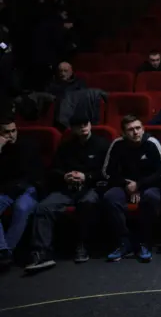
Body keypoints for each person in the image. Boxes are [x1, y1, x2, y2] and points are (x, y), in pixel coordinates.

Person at [24, 114, 109, 272]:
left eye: (86, 123)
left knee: (88, 203)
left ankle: (82, 245)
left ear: (90, 125)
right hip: (67, 188)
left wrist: (86, 176)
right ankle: (41, 252)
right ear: (73, 128)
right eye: (79, 125)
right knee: (44, 207)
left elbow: (108, 172)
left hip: (91, 187)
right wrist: (65, 176)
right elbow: (54, 170)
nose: (83, 127)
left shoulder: (102, 145)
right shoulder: (66, 147)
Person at [101, 115, 161, 263]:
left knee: (152, 197)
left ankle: (144, 242)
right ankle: (124, 241)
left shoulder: (152, 143)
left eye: (138, 128)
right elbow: (107, 172)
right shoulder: (117, 144)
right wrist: (127, 185)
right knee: (110, 197)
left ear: (143, 129)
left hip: (148, 185)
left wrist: (138, 185)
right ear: (124, 133)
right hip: (124, 186)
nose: (135, 132)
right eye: (130, 129)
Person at [0, 115, 42, 268]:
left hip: (27, 188)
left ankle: (6, 253)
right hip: (4, 191)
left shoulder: (27, 145)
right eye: (6, 132)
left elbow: (29, 173)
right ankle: (3, 251)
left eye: (13, 131)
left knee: (21, 208)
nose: (11, 135)